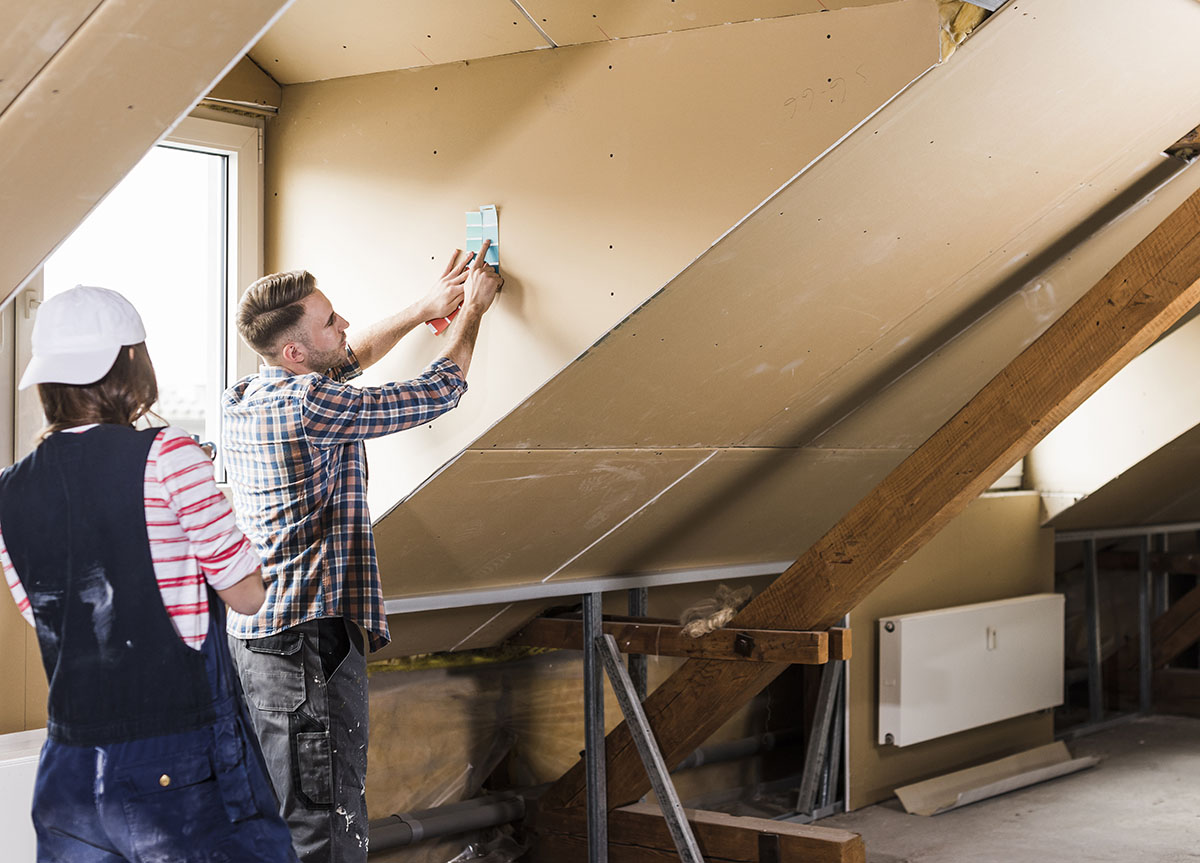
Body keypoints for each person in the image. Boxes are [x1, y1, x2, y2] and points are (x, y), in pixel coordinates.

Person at [222, 242, 502, 861]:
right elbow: (435, 393)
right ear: (295, 352)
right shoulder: (307, 406)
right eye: (329, 320)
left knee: (295, 808)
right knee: (326, 817)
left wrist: (424, 308)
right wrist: (471, 314)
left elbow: (348, 358)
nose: (343, 323)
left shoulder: (244, 395)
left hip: (266, 639)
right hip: (305, 643)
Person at [0, 285, 298, 863]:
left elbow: (39, 612)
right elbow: (246, 595)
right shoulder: (169, 455)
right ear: (133, 363)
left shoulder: (8, 489)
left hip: (69, 767)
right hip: (177, 757)